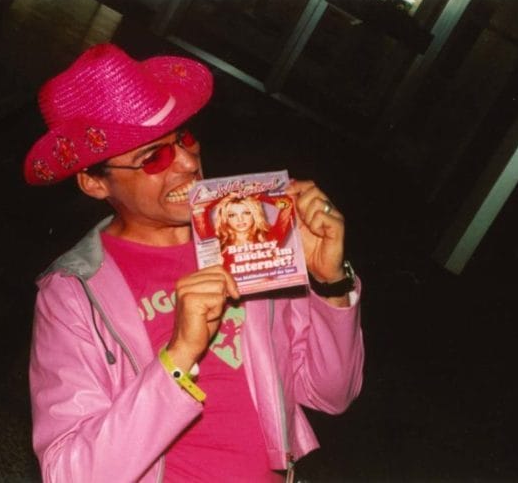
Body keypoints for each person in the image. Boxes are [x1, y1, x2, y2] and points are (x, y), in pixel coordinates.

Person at [25, 43, 364, 482]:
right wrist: (178, 355)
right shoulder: (75, 292)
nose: (188, 162)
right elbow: (70, 474)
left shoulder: (252, 235)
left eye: (183, 138)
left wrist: (330, 285)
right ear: (94, 182)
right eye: (154, 157)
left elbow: (330, 395)